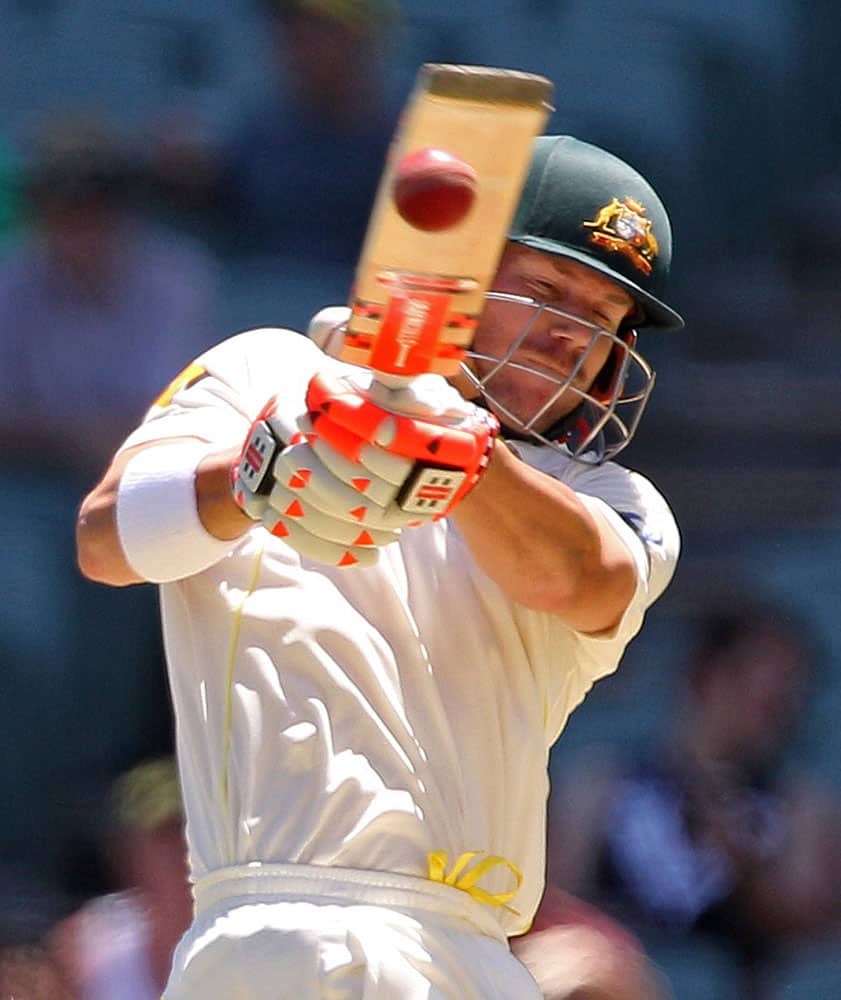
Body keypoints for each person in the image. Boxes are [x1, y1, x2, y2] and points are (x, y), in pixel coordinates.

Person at [76, 133, 684, 999]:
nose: (568, 334)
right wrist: (254, 471)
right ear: (459, 280)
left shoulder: (612, 500)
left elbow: (578, 578)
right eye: (546, 290)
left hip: (459, 950)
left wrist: (441, 439)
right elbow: (105, 541)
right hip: (257, 936)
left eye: (600, 317)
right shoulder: (268, 374)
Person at [548, 596, 841, 986]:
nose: (784, 707)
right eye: (765, 694)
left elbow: (807, 932)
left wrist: (744, 870)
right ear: (707, 675)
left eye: (790, 695)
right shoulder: (598, 786)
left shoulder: (801, 805)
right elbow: (554, 912)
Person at [49, 757, 193, 1000]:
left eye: (185, 838)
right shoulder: (87, 952)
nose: (181, 857)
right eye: (163, 841)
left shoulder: (248, 942)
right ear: (129, 857)